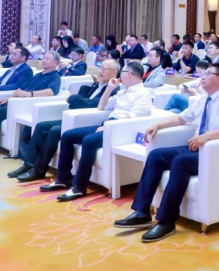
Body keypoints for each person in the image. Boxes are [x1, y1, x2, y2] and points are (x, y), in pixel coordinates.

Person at [113, 62, 219, 242]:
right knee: (156, 155)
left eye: (208, 74)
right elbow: (181, 118)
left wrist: (206, 137)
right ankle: (142, 212)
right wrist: (158, 124)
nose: (203, 77)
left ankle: (166, 221)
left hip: (214, 152)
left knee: (180, 162)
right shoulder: (203, 99)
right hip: (196, 148)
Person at [40, 61, 153, 201]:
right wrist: (109, 88)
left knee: (89, 141)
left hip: (120, 130)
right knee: (67, 136)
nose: (120, 75)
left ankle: (79, 187)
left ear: (129, 74)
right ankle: (63, 179)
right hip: (108, 124)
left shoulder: (143, 93)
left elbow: (134, 117)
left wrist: (108, 126)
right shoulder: (122, 92)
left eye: (122, 72)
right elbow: (101, 107)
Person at [10, 60, 122, 182]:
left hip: (86, 120)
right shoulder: (97, 85)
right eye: (100, 68)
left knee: (54, 130)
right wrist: (79, 99)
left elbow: (93, 104)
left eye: (104, 69)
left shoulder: (114, 90)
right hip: (74, 116)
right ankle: (28, 164)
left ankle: (39, 170)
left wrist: (73, 98)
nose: (100, 71)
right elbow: (84, 102)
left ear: (114, 72)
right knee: (42, 126)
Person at [0, 51, 62, 159]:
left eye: (47, 59)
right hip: (17, 101)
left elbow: (51, 91)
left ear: (55, 63)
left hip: (26, 105)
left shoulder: (55, 77)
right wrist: (7, 99)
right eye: (44, 58)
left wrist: (30, 94)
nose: (43, 60)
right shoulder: (38, 75)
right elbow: (20, 89)